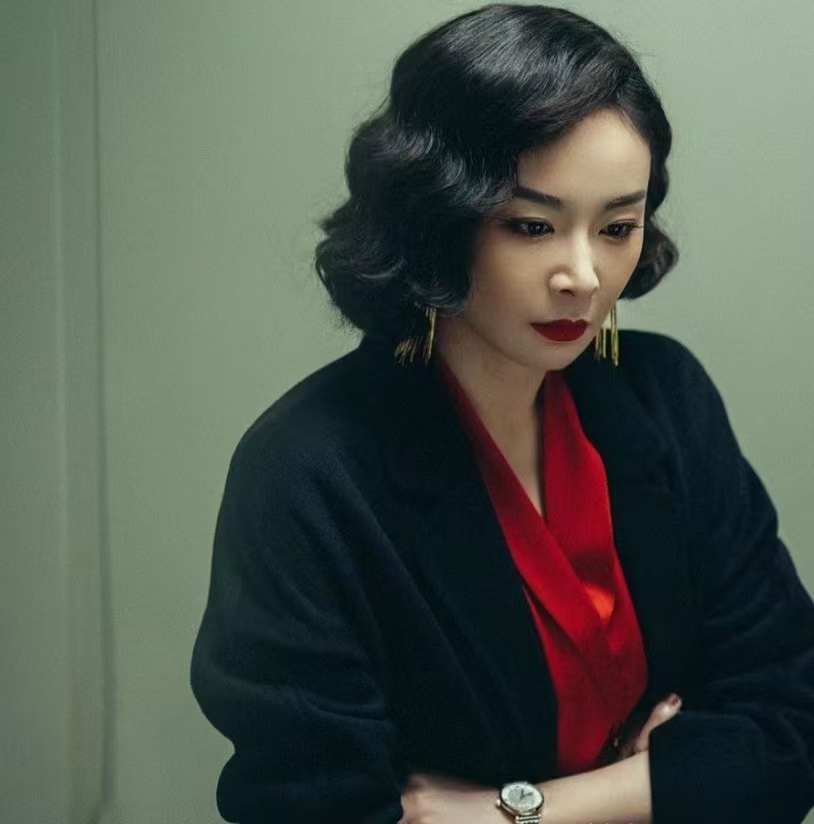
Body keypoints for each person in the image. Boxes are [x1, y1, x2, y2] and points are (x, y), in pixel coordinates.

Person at [189, 4, 814, 822]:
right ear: (437, 217)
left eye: (618, 226)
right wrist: (673, 781)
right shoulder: (310, 470)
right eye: (531, 225)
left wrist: (514, 811)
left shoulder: (666, 397)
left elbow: (792, 728)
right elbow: (311, 807)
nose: (583, 275)